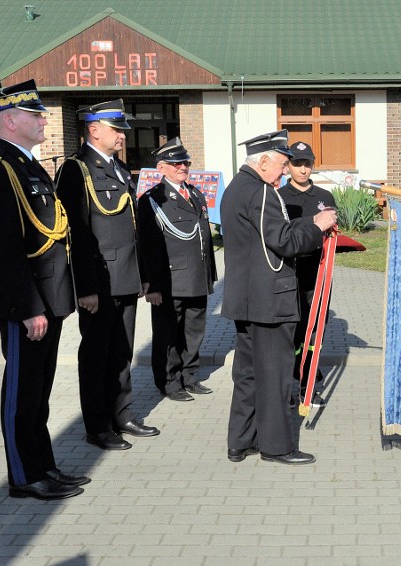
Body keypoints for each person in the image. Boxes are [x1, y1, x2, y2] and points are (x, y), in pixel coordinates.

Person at [0, 80, 88, 499]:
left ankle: (45, 465)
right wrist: (28, 307)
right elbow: (2, 248)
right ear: (9, 120)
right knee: (22, 393)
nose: (44, 120)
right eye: (36, 114)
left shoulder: (29, 166)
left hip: (49, 299)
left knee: (39, 392)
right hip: (29, 305)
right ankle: (24, 476)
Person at [221, 130, 337, 465]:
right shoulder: (261, 192)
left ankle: (241, 441)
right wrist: (317, 225)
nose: (286, 171)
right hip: (269, 299)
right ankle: (277, 446)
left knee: (248, 374)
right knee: (273, 375)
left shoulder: (236, 188)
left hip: (247, 298)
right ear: (265, 160)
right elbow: (284, 242)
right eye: (283, 163)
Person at [55, 99, 160, 451]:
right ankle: (97, 425)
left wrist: (143, 273)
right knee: (97, 355)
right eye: (116, 130)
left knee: (122, 351)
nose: (121, 136)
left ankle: (122, 414)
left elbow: (132, 228)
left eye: (122, 131)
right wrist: (84, 286)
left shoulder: (119, 169)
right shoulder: (76, 169)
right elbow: (77, 233)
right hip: (99, 282)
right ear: (94, 129)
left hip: (126, 277)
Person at [138, 138, 217, 401]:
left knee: (194, 332)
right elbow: (148, 245)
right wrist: (152, 284)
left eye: (185, 162)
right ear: (161, 168)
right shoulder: (153, 199)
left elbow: (203, 236)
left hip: (196, 277)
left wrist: (210, 275)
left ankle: (190, 376)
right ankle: (169, 381)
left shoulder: (195, 194)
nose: (183, 167)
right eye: (176, 163)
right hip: (170, 281)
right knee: (168, 335)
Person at [278, 141, 337, 408]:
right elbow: (282, 231)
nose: (303, 169)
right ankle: (289, 383)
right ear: (288, 165)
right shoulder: (279, 196)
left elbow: (335, 228)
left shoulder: (324, 195)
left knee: (314, 333)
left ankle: (308, 384)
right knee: (292, 332)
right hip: (290, 274)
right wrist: (314, 222)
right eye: (297, 164)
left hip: (319, 274)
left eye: (307, 164)